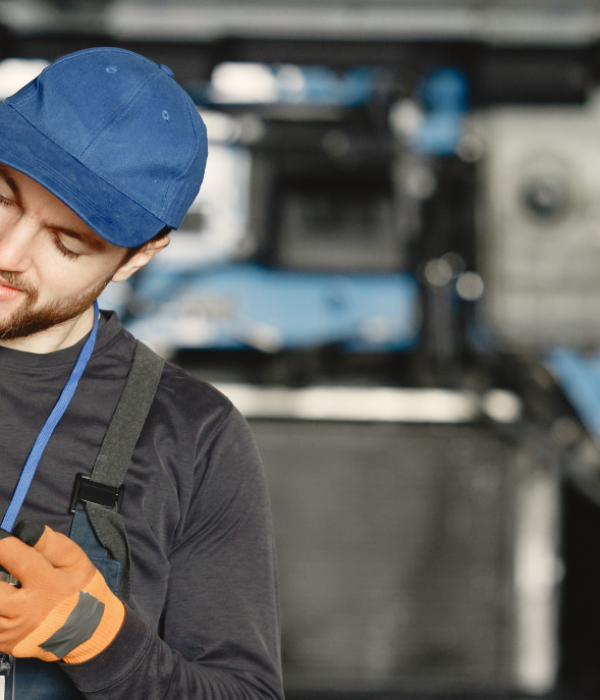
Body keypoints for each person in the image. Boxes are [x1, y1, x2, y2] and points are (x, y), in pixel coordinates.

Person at [0, 47, 283, 699]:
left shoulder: (190, 437)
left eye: (67, 243)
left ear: (139, 255)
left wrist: (99, 642)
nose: (9, 252)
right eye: (2, 199)